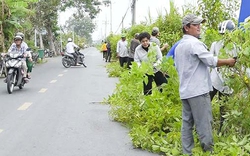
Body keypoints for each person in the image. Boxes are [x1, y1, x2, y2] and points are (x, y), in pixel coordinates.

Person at [174, 14, 236, 155]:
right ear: (186, 27)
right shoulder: (194, 44)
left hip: (185, 91)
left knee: (187, 124)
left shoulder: (179, 46)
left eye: (199, 24)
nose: (199, 27)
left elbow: (178, 67)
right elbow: (211, 61)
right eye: (195, 25)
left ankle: (187, 152)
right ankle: (209, 152)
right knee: (204, 125)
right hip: (198, 92)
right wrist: (228, 61)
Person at [209, 20, 237, 134]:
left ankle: (222, 131)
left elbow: (237, 64)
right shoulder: (215, 45)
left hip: (227, 81)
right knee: (206, 102)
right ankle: (204, 126)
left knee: (223, 108)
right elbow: (210, 60)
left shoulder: (235, 47)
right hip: (214, 79)